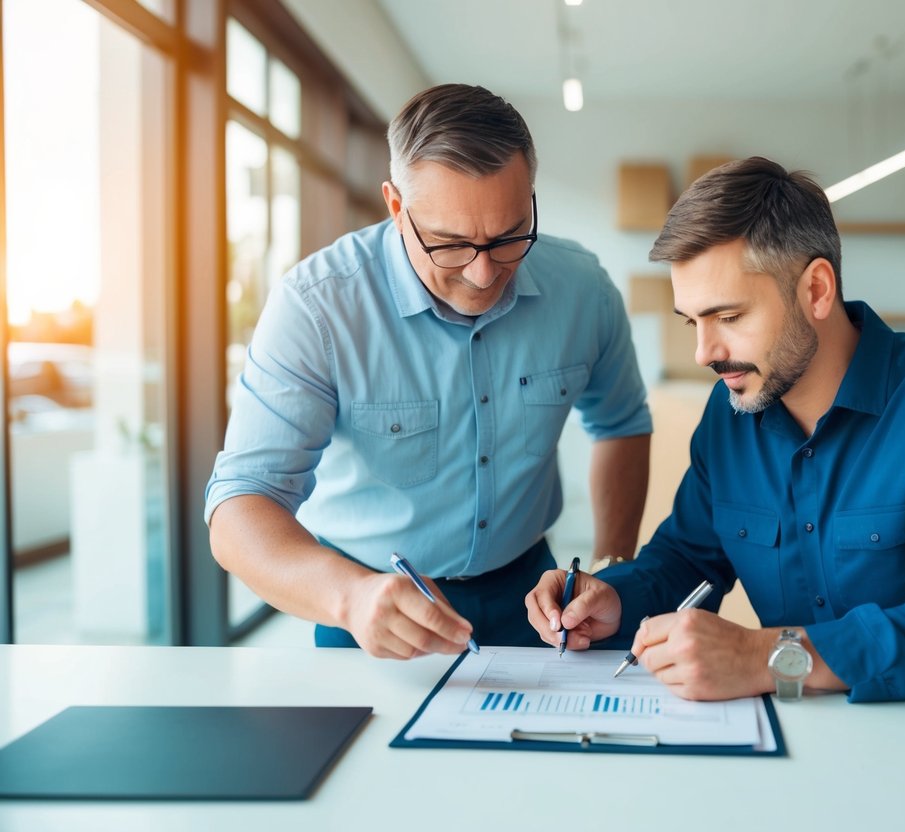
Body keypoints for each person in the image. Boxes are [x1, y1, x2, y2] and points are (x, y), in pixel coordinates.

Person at [525, 157, 905, 703]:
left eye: (728, 318)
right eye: (692, 322)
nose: (705, 353)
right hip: (784, 744)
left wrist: (765, 656)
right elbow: (687, 559)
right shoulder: (730, 414)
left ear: (817, 290)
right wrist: (613, 599)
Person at [206, 84, 651, 659]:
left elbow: (620, 421)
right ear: (396, 206)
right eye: (450, 243)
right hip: (368, 603)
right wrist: (351, 598)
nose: (484, 272)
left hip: (536, 598)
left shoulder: (583, 288)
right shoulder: (316, 307)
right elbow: (241, 503)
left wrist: (612, 566)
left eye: (509, 235)